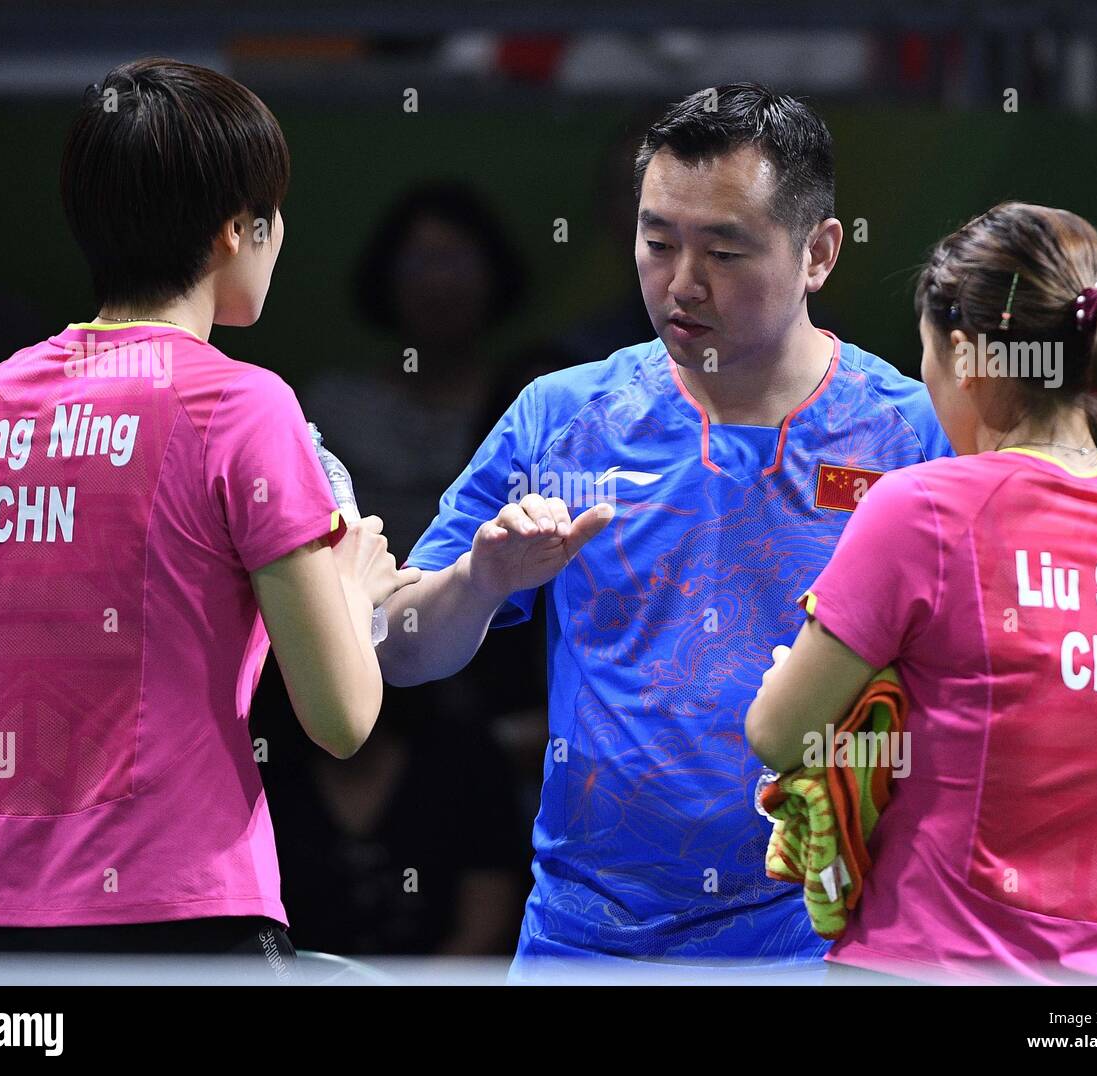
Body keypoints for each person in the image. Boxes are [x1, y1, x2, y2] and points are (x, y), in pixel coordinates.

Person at [379, 83, 950, 975]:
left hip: (831, 934)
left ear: (819, 254)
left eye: (724, 251)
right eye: (657, 244)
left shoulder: (913, 437)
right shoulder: (560, 419)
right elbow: (396, 648)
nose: (682, 284)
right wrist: (480, 583)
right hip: (585, 937)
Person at [0, 58, 416, 960]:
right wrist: (353, 584)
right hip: (182, 920)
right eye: (274, 215)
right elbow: (343, 718)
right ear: (237, 230)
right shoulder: (242, 405)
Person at [745, 202, 1097, 985]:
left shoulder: (920, 509)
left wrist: (796, 688)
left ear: (965, 355)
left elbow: (777, 733)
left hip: (923, 970)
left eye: (927, 358)